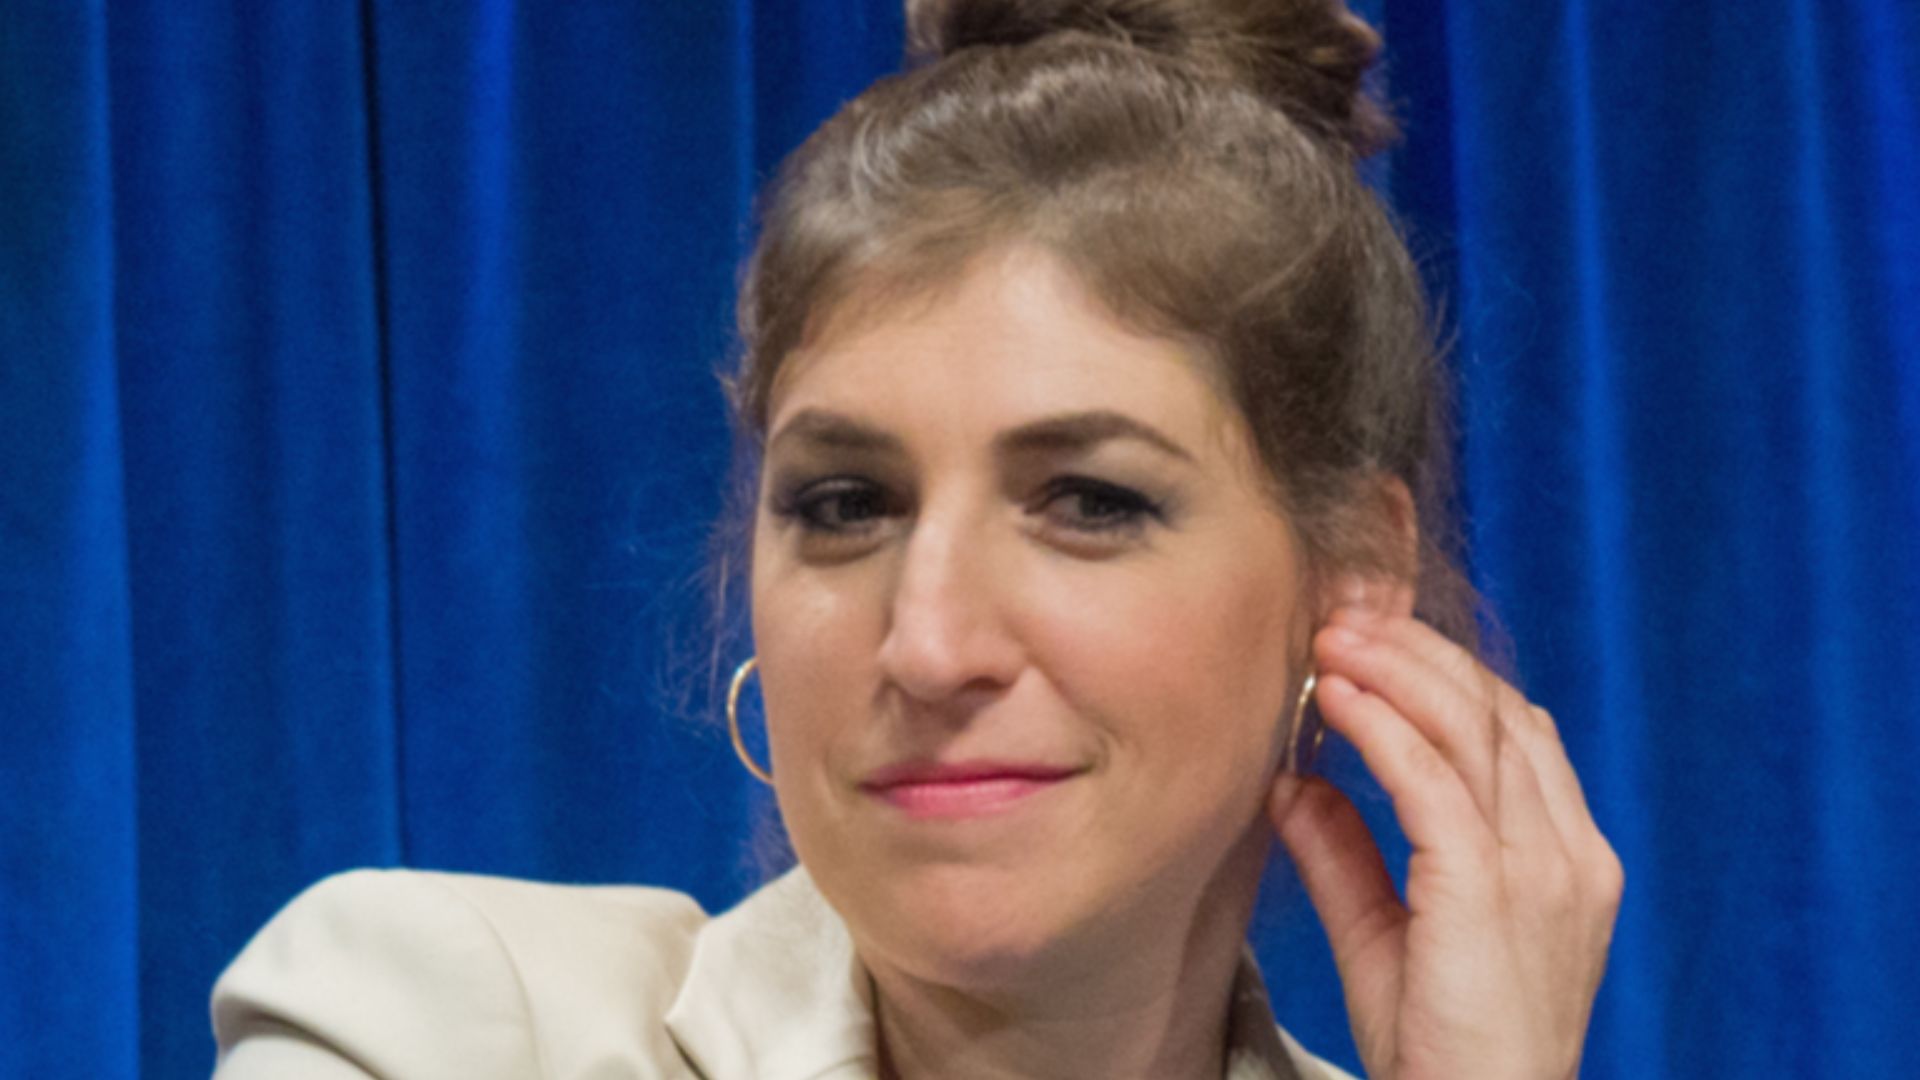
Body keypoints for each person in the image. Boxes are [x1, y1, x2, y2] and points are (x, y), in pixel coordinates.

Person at [211, 0, 1623, 1076]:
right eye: (846, 505)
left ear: (1353, 580)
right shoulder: (434, 1027)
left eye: (1090, 503)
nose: (928, 641)